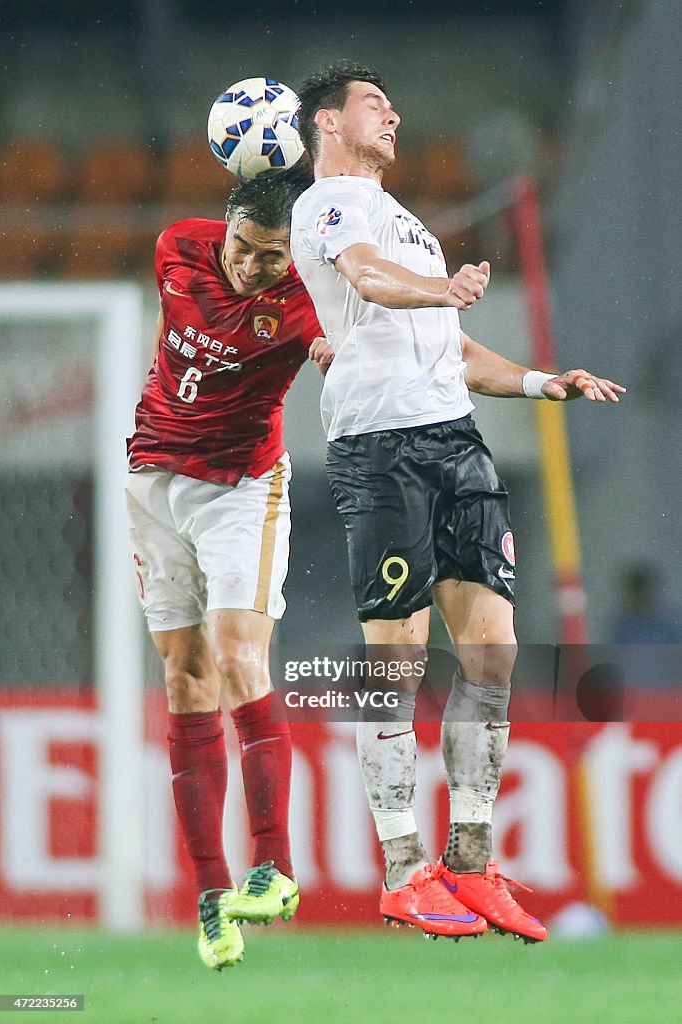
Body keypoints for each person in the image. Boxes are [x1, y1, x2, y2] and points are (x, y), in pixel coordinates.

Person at [291, 62, 626, 943]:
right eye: (374, 103)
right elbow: (364, 278)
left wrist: (542, 381)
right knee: (395, 663)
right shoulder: (330, 203)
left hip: (456, 443)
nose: (393, 113)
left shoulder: (408, 224)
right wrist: (435, 289)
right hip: (382, 448)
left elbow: (452, 347)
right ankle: (404, 869)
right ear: (327, 123)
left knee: (492, 654)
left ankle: (471, 864)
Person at [125, 165, 331, 970]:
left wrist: (333, 357)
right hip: (152, 480)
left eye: (272, 258)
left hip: (241, 488)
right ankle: (213, 899)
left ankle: (273, 866)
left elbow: (334, 347)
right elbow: (166, 339)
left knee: (240, 654)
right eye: (245, 249)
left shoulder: (303, 303)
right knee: (184, 680)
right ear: (227, 227)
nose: (252, 268)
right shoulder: (177, 246)